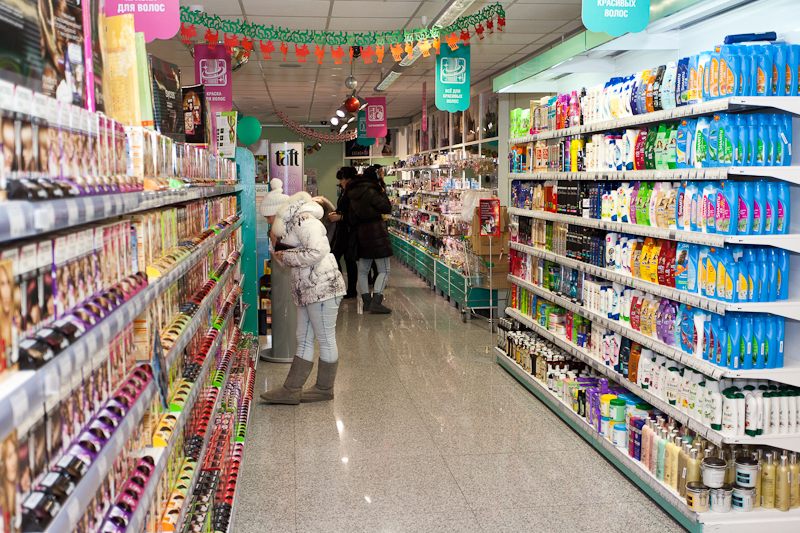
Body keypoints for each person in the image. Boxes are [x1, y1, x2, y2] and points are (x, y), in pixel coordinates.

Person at [259, 179, 346, 404]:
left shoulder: (304, 220)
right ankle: (292, 389)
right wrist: (276, 247)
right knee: (303, 337)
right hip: (306, 288)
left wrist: (286, 256)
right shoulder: (286, 227)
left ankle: (324, 388)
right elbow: (286, 257)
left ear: (277, 212)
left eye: (268, 217)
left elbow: (318, 251)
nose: (268, 221)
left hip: (323, 287)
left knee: (325, 339)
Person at [347, 166, 392, 314]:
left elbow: (351, 216)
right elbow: (386, 207)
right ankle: (377, 301)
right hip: (376, 232)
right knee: (384, 269)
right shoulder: (373, 190)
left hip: (361, 233)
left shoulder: (354, 191)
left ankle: (366, 301)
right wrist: (382, 188)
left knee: (363, 270)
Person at [329, 167, 358, 298]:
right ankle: (346, 288)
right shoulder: (346, 191)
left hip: (349, 231)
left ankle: (348, 289)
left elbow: (356, 214)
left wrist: (341, 217)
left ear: (348, 179)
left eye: (342, 179)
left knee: (345, 259)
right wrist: (336, 213)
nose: (340, 182)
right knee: (344, 259)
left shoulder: (354, 192)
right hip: (343, 230)